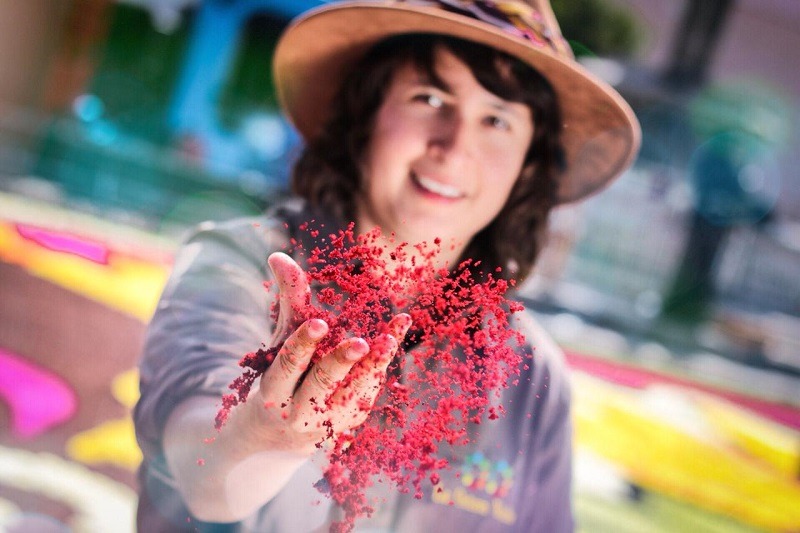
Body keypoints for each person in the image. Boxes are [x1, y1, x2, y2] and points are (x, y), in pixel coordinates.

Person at [133, 0, 640, 531]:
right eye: (429, 97)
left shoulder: (530, 372)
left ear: (527, 165)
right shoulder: (245, 269)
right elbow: (199, 471)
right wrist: (264, 435)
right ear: (364, 112)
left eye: (497, 119)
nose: (455, 146)